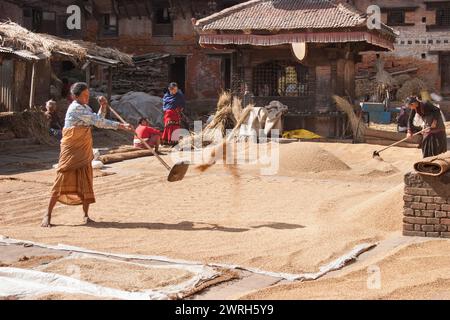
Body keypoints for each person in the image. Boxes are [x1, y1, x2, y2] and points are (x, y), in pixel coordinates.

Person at [41, 82, 133, 228]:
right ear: (75, 96)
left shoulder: (85, 108)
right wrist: (121, 126)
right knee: (62, 178)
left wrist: (103, 107)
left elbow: (97, 119)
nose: (87, 98)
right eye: (84, 95)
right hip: (71, 149)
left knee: (86, 179)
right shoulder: (76, 108)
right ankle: (47, 215)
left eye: (88, 95)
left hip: (83, 148)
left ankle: (85, 216)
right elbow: (98, 122)